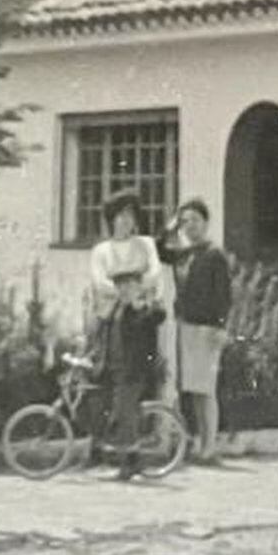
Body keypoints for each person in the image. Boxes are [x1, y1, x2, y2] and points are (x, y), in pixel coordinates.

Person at [87, 190, 166, 480]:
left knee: (129, 385)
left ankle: (131, 454)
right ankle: (101, 446)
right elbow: (100, 282)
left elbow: (155, 274)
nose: (125, 221)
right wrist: (126, 288)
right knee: (102, 383)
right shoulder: (101, 251)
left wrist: (135, 289)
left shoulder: (144, 245)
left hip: (136, 324)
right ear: (111, 220)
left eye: (130, 216)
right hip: (109, 322)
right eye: (119, 216)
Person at [159, 198, 231, 465]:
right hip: (186, 326)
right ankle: (201, 443)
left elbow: (224, 295)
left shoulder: (215, 254)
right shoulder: (184, 253)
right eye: (186, 221)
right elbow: (159, 250)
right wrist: (171, 226)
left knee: (207, 390)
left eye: (195, 221)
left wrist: (221, 327)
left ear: (206, 223)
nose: (191, 226)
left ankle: (210, 447)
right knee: (194, 389)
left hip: (207, 328)